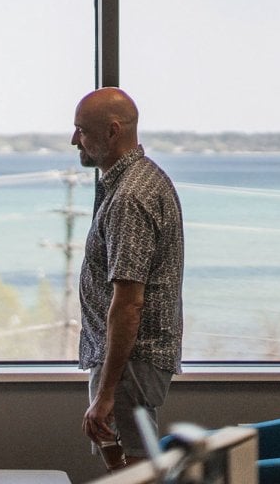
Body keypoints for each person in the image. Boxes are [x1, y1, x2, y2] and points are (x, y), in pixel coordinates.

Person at [71, 88, 184, 470]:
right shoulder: (140, 180)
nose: (74, 140)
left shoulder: (129, 197)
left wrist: (105, 393)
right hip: (123, 359)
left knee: (137, 470)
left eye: (81, 130)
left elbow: (129, 302)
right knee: (122, 465)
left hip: (129, 360)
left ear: (112, 132)